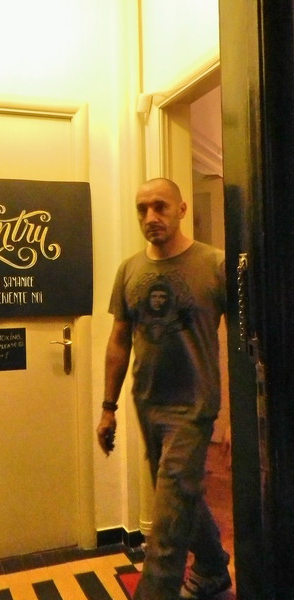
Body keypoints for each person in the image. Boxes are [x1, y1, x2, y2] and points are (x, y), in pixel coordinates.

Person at [96, 178, 231, 600]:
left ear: (182, 209)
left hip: (194, 407)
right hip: (148, 402)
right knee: (178, 493)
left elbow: (246, 339)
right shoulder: (130, 270)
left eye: (160, 206)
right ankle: (212, 569)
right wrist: (108, 407)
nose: (150, 217)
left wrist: (238, 416)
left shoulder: (216, 264)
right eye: (142, 209)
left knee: (168, 517)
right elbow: (119, 340)